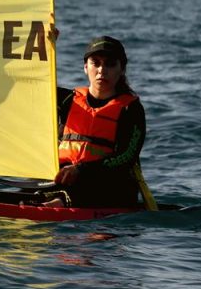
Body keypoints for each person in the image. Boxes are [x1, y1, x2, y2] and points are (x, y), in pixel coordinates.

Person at [53, 34, 147, 208]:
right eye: (95, 63)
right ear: (85, 67)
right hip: (61, 181)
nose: (102, 70)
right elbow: (29, 84)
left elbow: (126, 157)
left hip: (108, 186)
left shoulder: (130, 109)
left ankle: (56, 205)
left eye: (110, 64)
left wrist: (81, 171)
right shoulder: (67, 100)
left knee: (63, 199)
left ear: (122, 69)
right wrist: (44, 45)